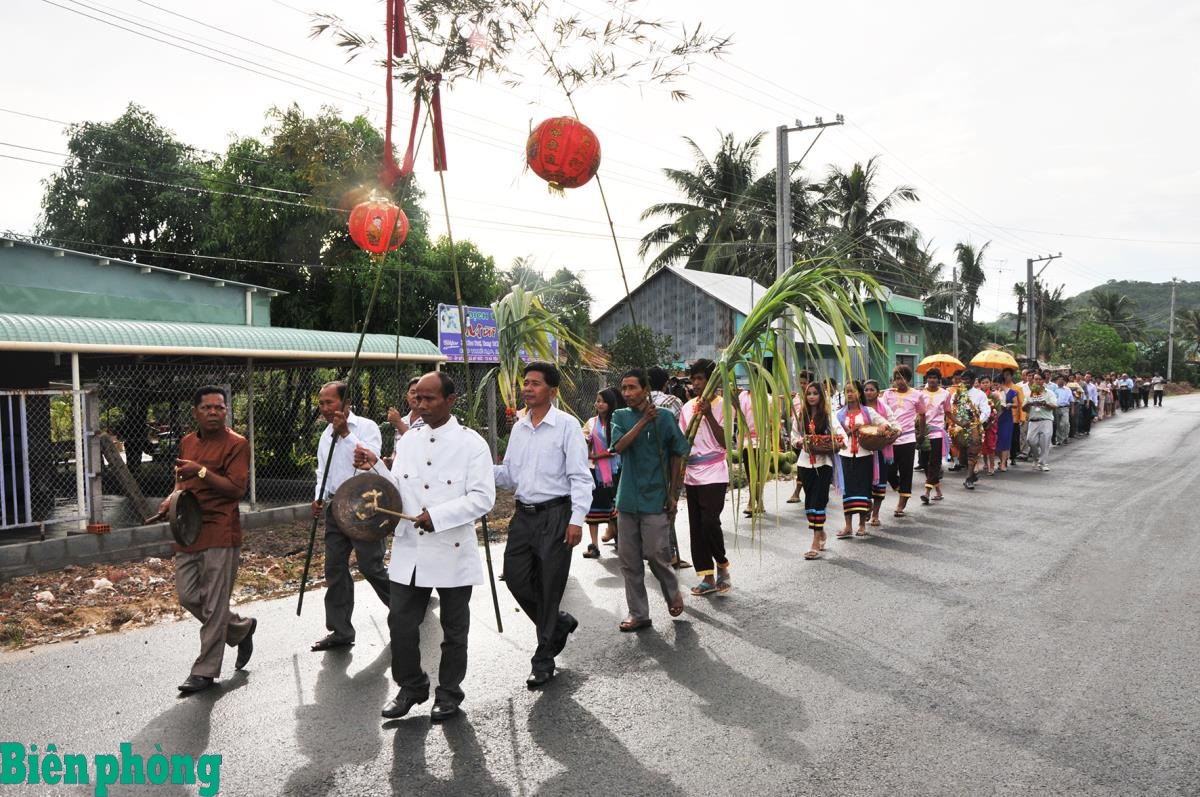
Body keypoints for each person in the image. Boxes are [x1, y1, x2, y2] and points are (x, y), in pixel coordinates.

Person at [356, 372, 495, 722]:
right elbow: (398, 490)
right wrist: (375, 465)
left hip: (452, 549)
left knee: (454, 629)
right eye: (417, 398)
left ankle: (449, 693)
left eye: (430, 398)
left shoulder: (472, 444)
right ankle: (412, 686)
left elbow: (483, 498)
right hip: (410, 551)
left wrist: (438, 515)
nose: (421, 405)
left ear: (451, 400)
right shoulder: (409, 442)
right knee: (400, 622)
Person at [493, 362, 593, 689]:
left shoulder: (566, 426)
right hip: (523, 516)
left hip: (556, 515)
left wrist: (576, 520)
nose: (527, 388)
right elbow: (509, 476)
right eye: (526, 382)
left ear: (552, 391)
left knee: (550, 588)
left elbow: (581, 477)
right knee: (516, 578)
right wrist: (476, 470)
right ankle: (558, 623)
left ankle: (544, 658)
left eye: (535, 383)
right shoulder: (519, 428)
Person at [166, 385, 255, 694]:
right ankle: (241, 628)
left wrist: (201, 472)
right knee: (189, 596)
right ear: (196, 412)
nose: (214, 412)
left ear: (226, 411)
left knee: (215, 604)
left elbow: (236, 489)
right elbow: (181, 481)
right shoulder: (187, 442)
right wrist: (171, 500)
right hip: (188, 528)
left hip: (221, 530)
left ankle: (204, 671)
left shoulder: (237, 444)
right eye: (207, 408)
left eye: (219, 407)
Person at [310, 381, 390, 652]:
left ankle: (404, 608)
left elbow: (370, 460)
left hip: (364, 503)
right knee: (334, 567)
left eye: (329, 402)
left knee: (370, 565)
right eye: (321, 403)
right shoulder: (324, 435)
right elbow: (323, 471)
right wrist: (319, 497)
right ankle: (340, 630)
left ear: (346, 403)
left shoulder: (366, 427)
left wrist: (345, 433)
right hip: (336, 506)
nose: (324, 408)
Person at [610, 369, 689, 631]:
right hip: (627, 498)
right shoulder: (620, 416)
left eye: (632, 387)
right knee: (629, 560)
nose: (627, 393)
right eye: (624, 388)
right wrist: (644, 421)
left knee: (656, 553)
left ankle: (672, 591)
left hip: (656, 498)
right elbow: (619, 447)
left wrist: (673, 493)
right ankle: (638, 614)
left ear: (645, 390)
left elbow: (678, 453)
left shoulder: (664, 417)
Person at [678, 359, 731, 597]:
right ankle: (707, 576)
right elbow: (683, 440)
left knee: (710, 521)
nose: (696, 383)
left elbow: (725, 442)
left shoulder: (724, 406)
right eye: (693, 379)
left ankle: (722, 563)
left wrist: (708, 415)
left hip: (715, 470)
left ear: (712, 381)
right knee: (697, 526)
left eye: (701, 378)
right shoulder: (687, 407)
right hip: (692, 473)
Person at [834, 380, 890, 538]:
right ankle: (848, 526)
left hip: (864, 456)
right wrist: (852, 431)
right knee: (847, 491)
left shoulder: (868, 412)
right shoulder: (839, 414)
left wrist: (881, 428)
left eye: (853, 391)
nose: (850, 394)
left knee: (863, 490)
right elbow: (836, 434)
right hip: (845, 456)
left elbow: (885, 423)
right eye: (847, 391)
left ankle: (862, 525)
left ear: (859, 393)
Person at [648, 365, 690, 569]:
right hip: (669, 461)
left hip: (645, 462)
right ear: (666, 383)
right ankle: (670, 553)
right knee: (670, 503)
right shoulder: (673, 401)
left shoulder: (640, 402)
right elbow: (681, 432)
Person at [794, 383, 836, 559]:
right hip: (805, 463)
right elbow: (794, 435)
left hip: (823, 463)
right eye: (808, 393)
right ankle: (821, 532)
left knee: (819, 501)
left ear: (821, 396)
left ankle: (814, 543)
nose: (811, 396)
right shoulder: (800, 415)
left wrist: (829, 441)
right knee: (810, 503)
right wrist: (799, 442)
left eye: (815, 393)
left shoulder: (828, 415)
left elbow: (839, 435)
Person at [880, 364, 926, 516]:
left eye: (902, 378)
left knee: (906, 471)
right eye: (896, 378)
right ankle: (902, 489)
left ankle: (901, 503)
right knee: (889, 471)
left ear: (908, 379)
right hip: (890, 439)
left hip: (908, 438)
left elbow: (922, 414)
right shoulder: (888, 394)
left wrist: (921, 433)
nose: (899, 381)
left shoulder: (917, 395)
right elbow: (881, 413)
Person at [582, 388, 623, 558]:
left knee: (614, 506)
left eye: (603, 401)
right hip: (595, 472)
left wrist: (596, 456)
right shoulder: (591, 422)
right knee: (593, 507)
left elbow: (616, 448)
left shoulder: (616, 423)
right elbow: (583, 440)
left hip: (614, 471)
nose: (599, 404)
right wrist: (587, 444)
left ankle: (621, 538)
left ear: (610, 403)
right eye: (597, 401)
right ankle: (594, 545)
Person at [948, 370, 991, 490]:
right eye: (963, 380)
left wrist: (977, 422)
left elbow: (986, 411)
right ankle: (972, 474)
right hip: (959, 427)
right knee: (962, 458)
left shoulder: (980, 394)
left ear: (973, 381)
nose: (965, 382)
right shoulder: (956, 394)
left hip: (974, 427)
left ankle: (968, 479)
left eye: (967, 380)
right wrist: (958, 422)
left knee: (972, 453)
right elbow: (951, 409)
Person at [917, 369, 952, 504]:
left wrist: (961, 423)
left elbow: (948, 412)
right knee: (925, 462)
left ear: (939, 380)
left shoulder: (945, 394)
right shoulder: (920, 394)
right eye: (930, 377)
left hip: (937, 432)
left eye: (934, 377)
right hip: (923, 432)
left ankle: (926, 492)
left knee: (934, 462)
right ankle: (938, 491)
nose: (932, 380)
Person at [862, 379, 894, 524]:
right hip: (863, 450)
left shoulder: (885, 409)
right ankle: (866, 506)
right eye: (866, 390)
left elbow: (893, 425)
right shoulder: (859, 408)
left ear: (878, 392)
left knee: (880, 482)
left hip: (881, 450)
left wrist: (886, 431)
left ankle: (875, 514)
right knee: (864, 481)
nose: (868, 392)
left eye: (872, 390)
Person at [786, 370, 814, 504]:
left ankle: (798, 492)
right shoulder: (796, 398)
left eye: (805, 383)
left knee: (806, 465)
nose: (802, 385)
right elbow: (790, 415)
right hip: (798, 436)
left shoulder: (815, 397)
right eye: (801, 383)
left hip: (812, 436)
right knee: (801, 464)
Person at [384, 376, 424, 467]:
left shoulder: (431, 420)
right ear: (407, 396)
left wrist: (398, 423)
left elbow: (420, 447)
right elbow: (397, 450)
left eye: (420, 393)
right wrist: (391, 460)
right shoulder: (403, 420)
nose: (416, 396)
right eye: (412, 392)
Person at [1024, 372, 1057, 471]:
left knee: (1045, 442)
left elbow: (1054, 406)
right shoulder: (1029, 393)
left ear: (1043, 380)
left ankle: (1043, 463)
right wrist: (1028, 404)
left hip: (1046, 420)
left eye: (1040, 379)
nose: (1038, 381)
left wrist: (1045, 403)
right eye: (1036, 379)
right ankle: (1036, 458)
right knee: (1031, 440)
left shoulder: (1049, 393)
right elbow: (1023, 408)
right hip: (1033, 420)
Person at [995, 369, 1020, 472]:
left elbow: (1016, 404)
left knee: (1005, 440)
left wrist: (1010, 404)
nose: (995, 387)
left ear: (1002, 383)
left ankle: (1003, 463)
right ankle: (1001, 460)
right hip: (997, 419)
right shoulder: (995, 393)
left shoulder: (1012, 392)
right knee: (996, 441)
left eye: (997, 385)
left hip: (1007, 419)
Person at [1052, 375, 1074, 446]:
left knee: (1065, 423)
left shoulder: (1067, 389)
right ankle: (1059, 439)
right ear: (1056, 381)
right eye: (1059, 379)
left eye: (1062, 379)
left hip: (1065, 408)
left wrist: (1072, 410)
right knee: (1058, 425)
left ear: (1064, 381)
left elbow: (1071, 400)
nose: (1060, 381)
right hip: (1056, 408)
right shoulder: (1054, 389)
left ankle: (1065, 437)